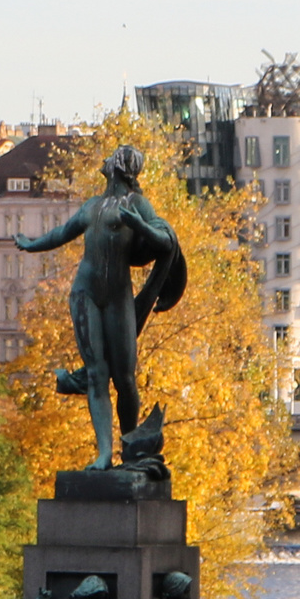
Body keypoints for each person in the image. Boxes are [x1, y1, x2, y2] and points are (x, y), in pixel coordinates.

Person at [16, 146, 183, 471]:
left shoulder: (137, 203)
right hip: (85, 293)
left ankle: (130, 446)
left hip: (118, 295)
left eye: (111, 158)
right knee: (96, 374)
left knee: (125, 378)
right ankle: (104, 454)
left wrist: (140, 225)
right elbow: (62, 234)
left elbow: (166, 242)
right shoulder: (92, 206)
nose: (103, 161)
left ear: (119, 168)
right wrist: (31, 244)